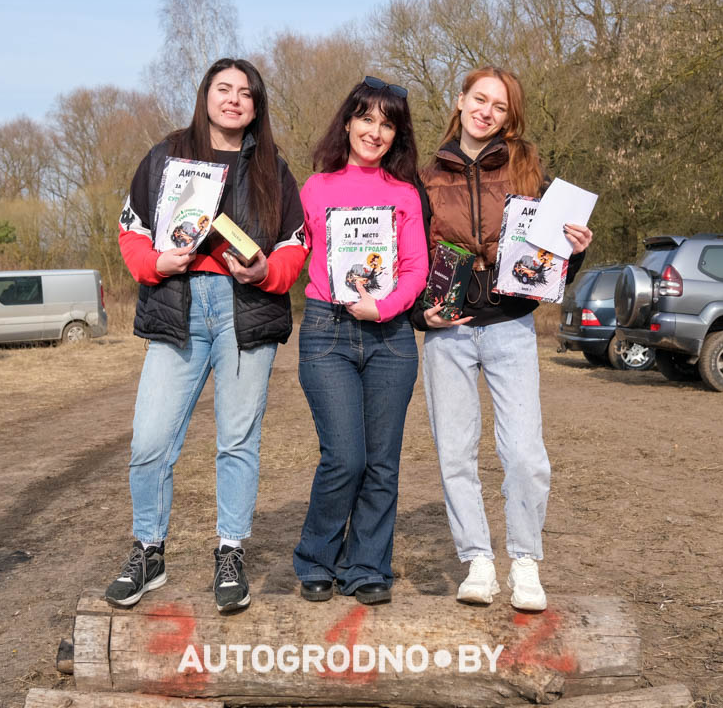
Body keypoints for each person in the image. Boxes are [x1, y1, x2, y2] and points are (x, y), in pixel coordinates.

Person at [110, 58, 308, 613]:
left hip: (247, 310)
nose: (234, 100)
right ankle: (149, 550)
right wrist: (155, 264)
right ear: (205, 96)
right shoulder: (166, 156)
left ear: (255, 106)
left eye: (245, 93)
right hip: (179, 304)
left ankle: (230, 551)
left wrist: (268, 272)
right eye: (224, 89)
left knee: (237, 440)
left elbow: (297, 243)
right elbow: (132, 229)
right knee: (150, 439)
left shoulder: (274, 168)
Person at [410, 66, 593, 610]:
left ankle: (526, 562)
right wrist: (424, 316)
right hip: (449, 333)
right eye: (479, 99)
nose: (486, 111)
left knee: (525, 454)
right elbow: (411, 258)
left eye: (500, 106)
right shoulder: (423, 177)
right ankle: (479, 562)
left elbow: (549, 251)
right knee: (455, 453)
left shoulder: (528, 169)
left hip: (511, 326)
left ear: (509, 118)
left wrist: (575, 249)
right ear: (460, 100)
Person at [293, 77, 428, 605]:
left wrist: (386, 306)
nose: (375, 131)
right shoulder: (315, 189)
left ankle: (368, 565)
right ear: (347, 123)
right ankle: (317, 557)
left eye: (387, 123)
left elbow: (415, 266)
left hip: (391, 337)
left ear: (397, 135)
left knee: (381, 462)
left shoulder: (404, 195)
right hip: (327, 332)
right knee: (344, 457)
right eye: (366, 119)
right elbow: (289, 252)